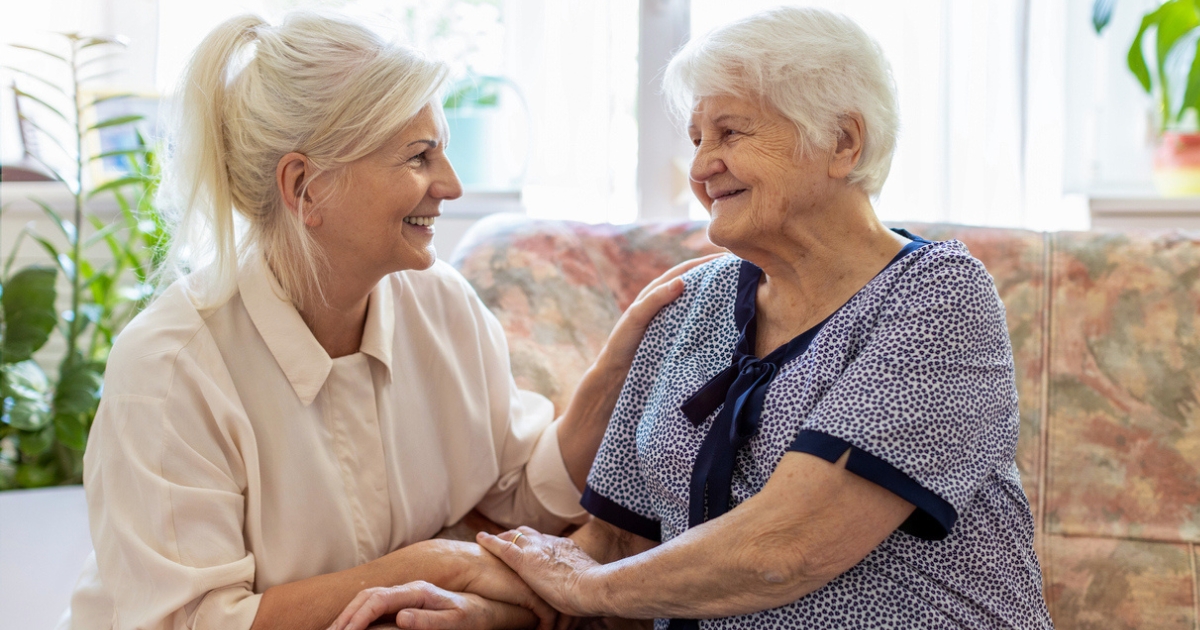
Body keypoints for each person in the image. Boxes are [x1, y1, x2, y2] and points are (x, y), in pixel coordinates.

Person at [337, 6, 1053, 630]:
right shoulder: (697, 302)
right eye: (696, 139)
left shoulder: (938, 300)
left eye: (732, 132)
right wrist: (478, 603)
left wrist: (586, 588)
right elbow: (614, 546)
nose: (703, 167)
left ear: (843, 143)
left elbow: (789, 546)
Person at [58, 11, 711, 630]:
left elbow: (522, 492)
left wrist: (616, 369)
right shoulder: (170, 370)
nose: (451, 184)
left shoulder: (441, 301)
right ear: (305, 188)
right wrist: (431, 563)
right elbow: (194, 621)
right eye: (419, 156)